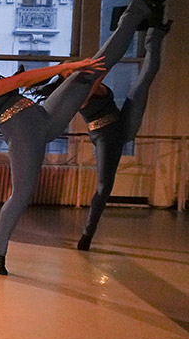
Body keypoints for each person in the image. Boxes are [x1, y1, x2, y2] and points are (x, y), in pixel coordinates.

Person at [0, 0, 164, 275]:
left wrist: (68, 71)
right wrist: (66, 66)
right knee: (21, 196)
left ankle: (138, 7)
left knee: (93, 67)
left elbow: (21, 84)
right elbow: (21, 80)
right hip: (24, 138)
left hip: (44, 117)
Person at [31, 15, 171, 251]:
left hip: (122, 123)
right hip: (104, 135)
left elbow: (104, 67)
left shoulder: (86, 79)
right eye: (70, 70)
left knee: (145, 78)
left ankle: (155, 33)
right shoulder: (76, 91)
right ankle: (87, 234)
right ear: (66, 79)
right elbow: (104, 69)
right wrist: (117, 41)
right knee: (104, 187)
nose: (76, 69)